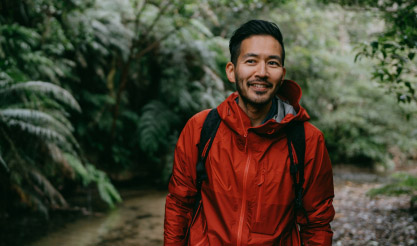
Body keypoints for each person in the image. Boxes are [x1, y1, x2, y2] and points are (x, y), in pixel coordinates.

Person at [164, 19, 335, 245]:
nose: (261, 72)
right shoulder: (201, 128)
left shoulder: (307, 140)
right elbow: (179, 204)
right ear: (232, 71)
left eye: (272, 63)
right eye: (251, 61)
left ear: (282, 73)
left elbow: (317, 224)